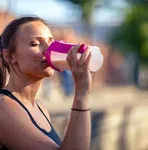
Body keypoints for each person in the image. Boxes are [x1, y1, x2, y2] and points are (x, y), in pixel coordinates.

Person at [0, 16, 92, 150]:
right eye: (35, 44)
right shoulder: (3, 106)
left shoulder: (40, 107)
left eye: (51, 42)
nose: (49, 50)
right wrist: (81, 95)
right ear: (10, 56)